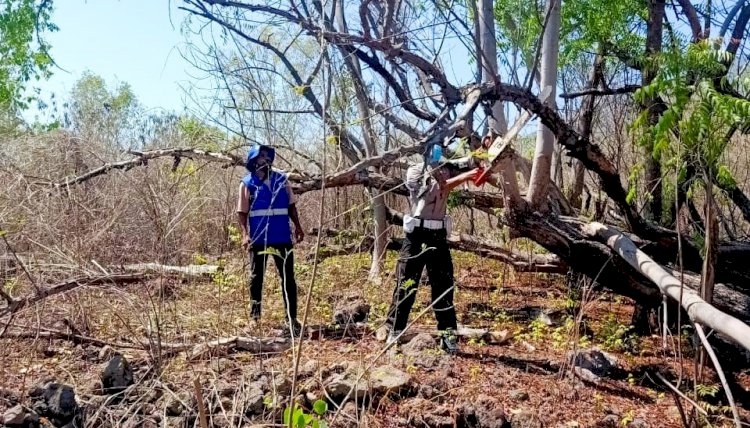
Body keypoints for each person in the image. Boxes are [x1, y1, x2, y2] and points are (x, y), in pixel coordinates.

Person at [383, 144, 481, 354]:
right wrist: (466, 176)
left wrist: (484, 150)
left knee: (443, 285)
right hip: (416, 236)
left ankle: (447, 336)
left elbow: (470, 163)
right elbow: (438, 186)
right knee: (407, 284)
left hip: (438, 236)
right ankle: (394, 330)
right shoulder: (415, 172)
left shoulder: (448, 167)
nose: (437, 155)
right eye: (433, 152)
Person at [236, 143, 305, 336]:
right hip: (259, 239)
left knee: (288, 279)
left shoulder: (282, 180)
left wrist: (298, 227)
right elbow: (242, 212)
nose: (265, 160)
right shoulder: (247, 183)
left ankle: (292, 319)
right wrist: (245, 234)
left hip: (282, 237)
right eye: (261, 157)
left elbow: (291, 206)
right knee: (256, 278)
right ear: (253, 160)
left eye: (268, 157)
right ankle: (255, 317)